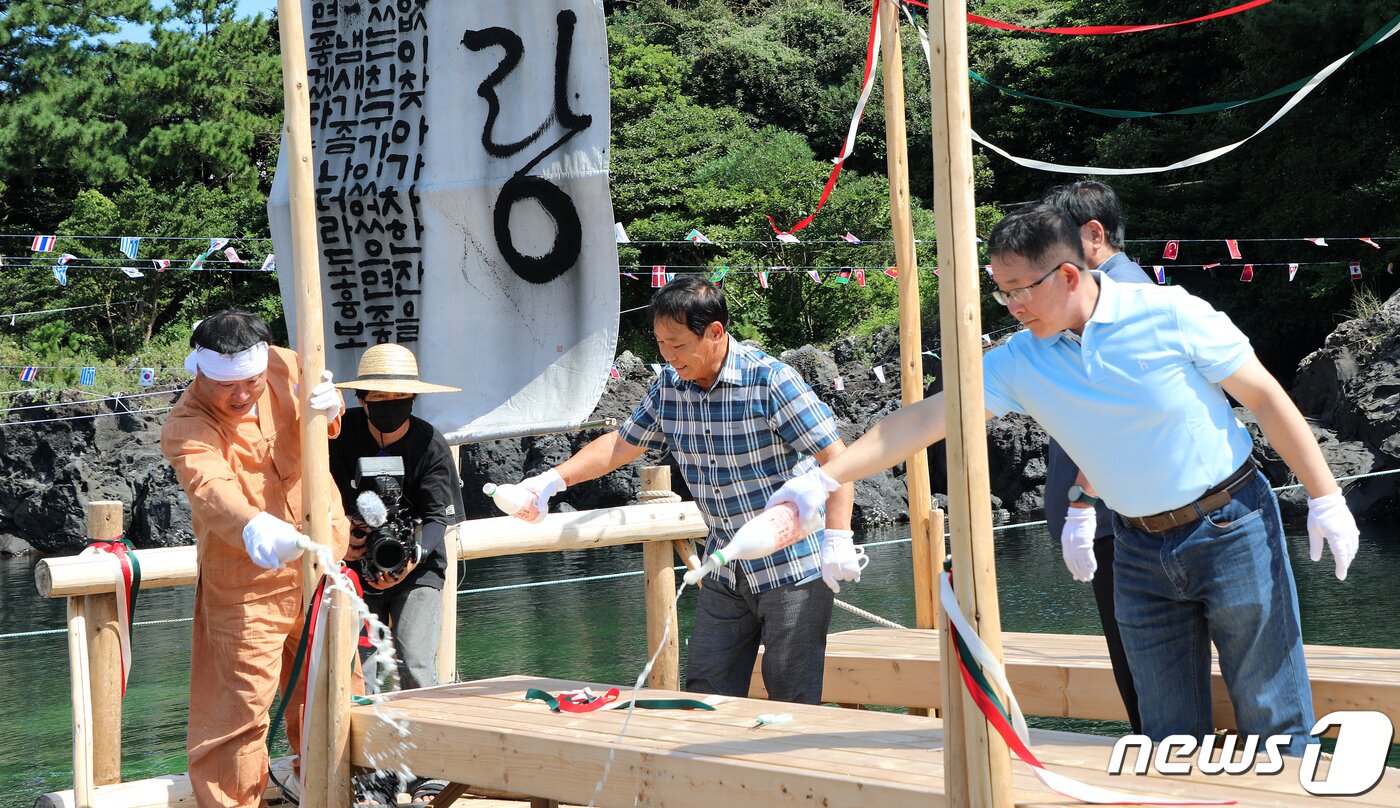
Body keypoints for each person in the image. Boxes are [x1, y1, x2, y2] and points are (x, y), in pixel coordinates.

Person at [768, 204, 1359, 752]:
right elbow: (923, 420)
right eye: (1002, 295)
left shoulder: (1171, 313)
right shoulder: (1020, 360)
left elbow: (1265, 397)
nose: (1013, 307)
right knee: (1167, 732)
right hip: (1135, 545)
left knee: (1273, 715)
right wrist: (822, 480)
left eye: (1020, 291)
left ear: (1070, 276)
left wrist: (1325, 496)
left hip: (1232, 524)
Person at [510, 276, 857, 704]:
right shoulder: (668, 387)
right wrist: (552, 480)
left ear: (714, 332)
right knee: (704, 695)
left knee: (793, 698)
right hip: (724, 566)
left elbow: (838, 461)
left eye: (677, 345)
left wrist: (839, 539)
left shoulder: (771, 382)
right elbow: (622, 444)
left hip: (793, 569)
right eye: (661, 345)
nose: (669, 356)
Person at [161, 309, 351, 806]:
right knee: (239, 713)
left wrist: (332, 410)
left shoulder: (290, 364)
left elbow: (326, 425)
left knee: (336, 690)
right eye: (228, 386)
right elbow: (210, 487)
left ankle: (340, 794)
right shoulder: (187, 424)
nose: (242, 395)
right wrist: (252, 525)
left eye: (251, 381)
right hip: (248, 582)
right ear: (200, 372)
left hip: (322, 558)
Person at [329, 342, 463, 806]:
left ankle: (427, 767)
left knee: (416, 662)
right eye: (379, 401)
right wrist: (344, 536)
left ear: (414, 401)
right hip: (349, 567)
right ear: (361, 398)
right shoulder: (337, 435)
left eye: (400, 402)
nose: (390, 410)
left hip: (419, 567)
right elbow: (313, 496)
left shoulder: (429, 441)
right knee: (356, 670)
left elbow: (439, 518)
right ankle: (364, 768)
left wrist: (409, 560)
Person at [1040, 180, 1150, 733]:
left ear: (1092, 236)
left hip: (1120, 517)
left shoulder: (1121, 300)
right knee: (1135, 662)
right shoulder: (1088, 302)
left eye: (1053, 242)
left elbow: (1117, 414)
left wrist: (1081, 502)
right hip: (1111, 515)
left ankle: (1164, 763)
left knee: (1140, 664)